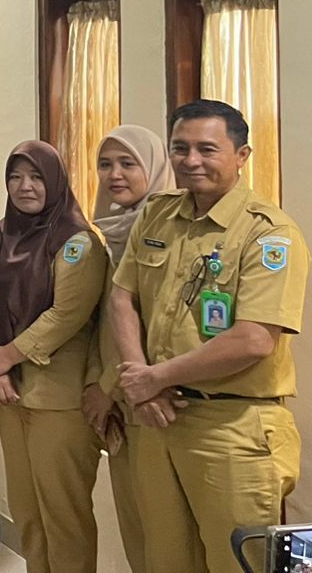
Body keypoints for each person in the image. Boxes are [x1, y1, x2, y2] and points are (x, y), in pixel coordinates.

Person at [109, 100, 305, 573]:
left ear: (241, 155)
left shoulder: (268, 234)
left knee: (238, 563)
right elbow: (122, 297)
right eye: (180, 148)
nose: (191, 160)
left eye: (207, 149)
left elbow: (254, 339)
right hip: (159, 419)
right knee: (165, 560)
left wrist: (155, 377)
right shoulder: (158, 215)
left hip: (232, 428)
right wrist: (143, 383)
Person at [0, 141, 105, 573]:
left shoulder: (78, 241)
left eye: (35, 177)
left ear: (55, 182)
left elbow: (67, 314)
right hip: (11, 395)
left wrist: (5, 357)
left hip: (59, 397)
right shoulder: (3, 234)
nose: (24, 186)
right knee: (27, 511)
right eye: (15, 177)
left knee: (64, 515)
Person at [82, 123, 174, 573]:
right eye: (105, 164)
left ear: (154, 168)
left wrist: (107, 386)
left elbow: (150, 324)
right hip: (120, 402)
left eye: (127, 163)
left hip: (156, 400)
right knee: (135, 527)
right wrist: (99, 386)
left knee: (165, 535)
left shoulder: (167, 233)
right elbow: (103, 320)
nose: (114, 174)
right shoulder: (108, 233)